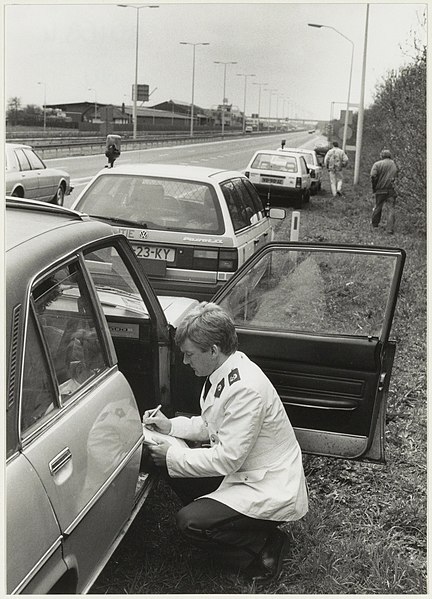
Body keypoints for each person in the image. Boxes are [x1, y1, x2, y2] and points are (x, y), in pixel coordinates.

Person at [143, 302, 308, 583]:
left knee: (189, 522)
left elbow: (228, 459)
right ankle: (224, 526)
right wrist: (170, 426)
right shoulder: (226, 371)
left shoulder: (245, 389)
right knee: (171, 462)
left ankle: (264, 549)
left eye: (189, 355)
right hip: (244, 473)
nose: (185, 361)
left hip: (266, 484)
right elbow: (211, 425)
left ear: (213, 350)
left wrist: (172, 454)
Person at [370, 149, 398, 234]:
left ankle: (375, 225)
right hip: (391, 190)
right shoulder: (395, 164)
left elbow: (373, 175)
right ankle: (390, 229)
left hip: (380, 189)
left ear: (382, 156)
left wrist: (374, 187)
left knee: (378, 206)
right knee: (391, 209)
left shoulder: (377, 164)